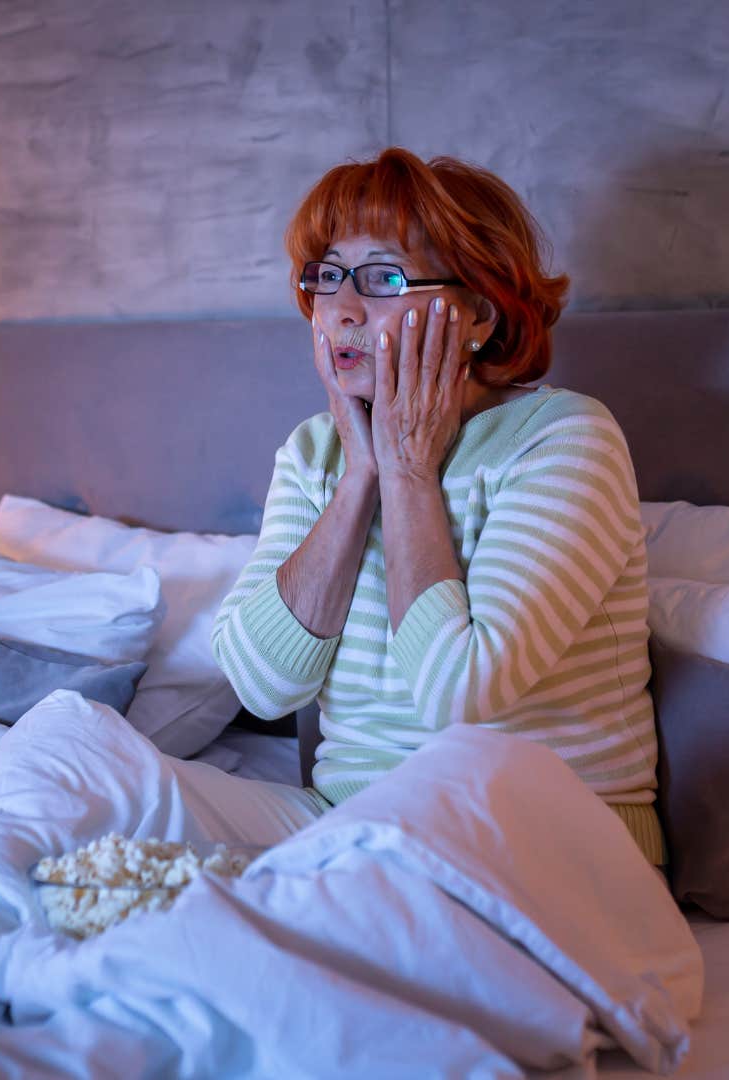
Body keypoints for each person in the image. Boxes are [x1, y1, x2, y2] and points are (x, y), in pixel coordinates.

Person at [211, 147, 662, 864]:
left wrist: (409, 471)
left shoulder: (565, 439)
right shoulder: (316, 452)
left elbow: (461, 693)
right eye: (328, 277)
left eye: (383, 277)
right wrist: (361, 473)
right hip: (349, 825)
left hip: (537, 839)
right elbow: (262, 685)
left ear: (478, 313)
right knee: (69, 766)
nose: (343, 310)